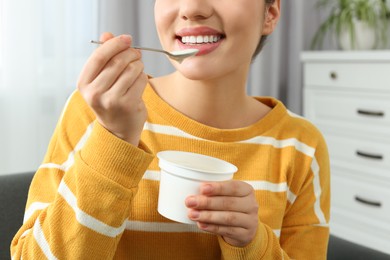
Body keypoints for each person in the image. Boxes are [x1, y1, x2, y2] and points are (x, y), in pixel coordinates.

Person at [11, 0, 330, 259]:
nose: (192, 8)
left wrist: (251, 244)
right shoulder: (96, 112)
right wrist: (115, 139)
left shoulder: (302, 146)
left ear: (270, 13)